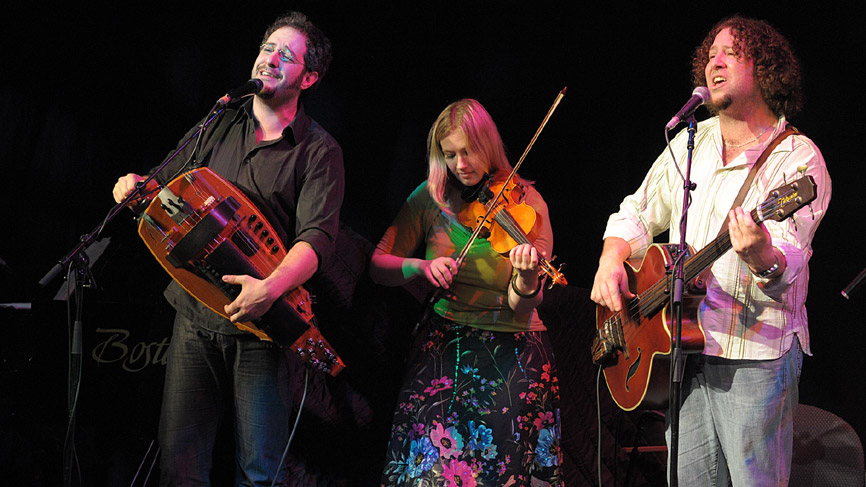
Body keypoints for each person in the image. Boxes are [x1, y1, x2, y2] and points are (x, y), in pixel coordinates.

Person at [590, 15, 831, 486]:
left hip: (754, 354)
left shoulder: (797, 159)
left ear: (764, 69)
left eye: (731, 53)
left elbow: (790, 259)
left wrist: (760, 254)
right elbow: (638, 212)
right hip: (683, 350)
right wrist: (610, 257)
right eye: (710, 55)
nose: (714, 63)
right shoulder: (690, 141)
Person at [111, 11, 344, 486]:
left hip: (260, 325)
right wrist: (136, 188)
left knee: (260, 471)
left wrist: (270, 288)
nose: (270, 58)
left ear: (310, 76)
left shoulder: (319, 151)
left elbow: (316, 239)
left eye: (286, 53)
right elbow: (168, 188)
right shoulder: (219, 121)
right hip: (194, 315)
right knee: (181, 462)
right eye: (266, 47)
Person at [371, 99, 564, 487]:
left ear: (489, 146)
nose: (461, 164)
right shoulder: (431, 197)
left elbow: (522, 305)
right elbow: (379, 265)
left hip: (513, 355)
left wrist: (526, 279)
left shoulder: (527, 203)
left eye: (470, 151)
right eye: (450, 155)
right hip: (444, 350)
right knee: (427, 474)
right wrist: (421, 267)